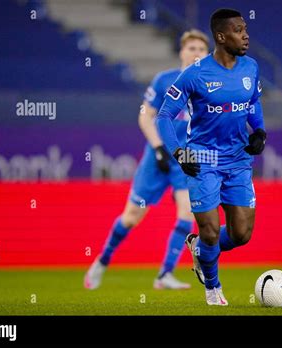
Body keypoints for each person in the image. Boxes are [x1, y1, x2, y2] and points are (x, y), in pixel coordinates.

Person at [156, 8, 266, 305]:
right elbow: (163, 116)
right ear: (221, 36)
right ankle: (213, 288)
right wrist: (179, 152)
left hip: (238, 160)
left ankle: (198, 249)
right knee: (210, 230)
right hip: (202, 159)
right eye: (238, 30)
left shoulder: (251, 68)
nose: (245, 35)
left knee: (241, 234)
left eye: (245, 29)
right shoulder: (195, 73)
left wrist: (259, 131)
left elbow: (254, 102)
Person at [84, 29, 210, 290]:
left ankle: (164, 274)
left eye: (201, 49)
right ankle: (102, 260)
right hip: (158, 157)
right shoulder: (164, 80)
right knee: (131, 216)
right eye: (192, 48)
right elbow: (145, 115)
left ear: (207, 54)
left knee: (187, 212)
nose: (196, 53)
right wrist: (159, 147)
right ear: (181, 52)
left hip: (185, 159)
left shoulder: (210, 86)